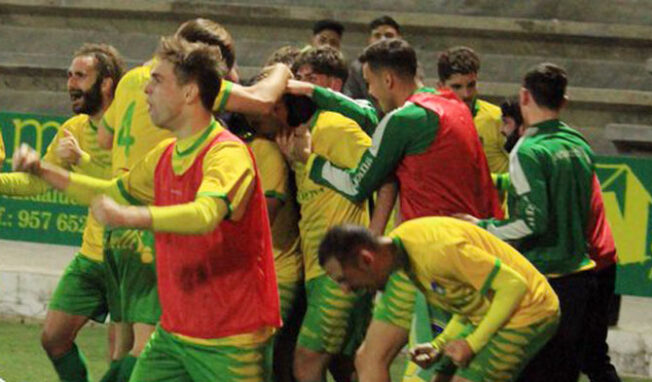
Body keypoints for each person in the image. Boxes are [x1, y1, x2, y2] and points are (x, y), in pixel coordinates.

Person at [14, 36, 281, 382]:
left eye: (156, 81)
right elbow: (112, 191)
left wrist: (133, 217)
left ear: (189, 93)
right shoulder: (165, 155)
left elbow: (205, 215)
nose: (145, 90)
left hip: (230, 338)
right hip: (174, 333)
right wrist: (44, 170)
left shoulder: (226, 154)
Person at [285, 38, 503, 382]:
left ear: (388, 80)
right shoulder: (446, 105)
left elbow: (358, 185)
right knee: (370, 358)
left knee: (426, 366)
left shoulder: (404, 121)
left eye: (370, 83)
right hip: (453, 248)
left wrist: (309, 162)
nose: (369, 92)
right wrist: (314, 92)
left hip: (435, 259)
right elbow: (369, 114)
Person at [94, 18, 292, 380]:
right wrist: (281, 70)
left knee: (125, 342)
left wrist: (129, 216)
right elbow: (264, 99)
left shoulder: (218, 139)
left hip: (225, 318)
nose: (149, 86)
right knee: (126, 342)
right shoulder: (181, 126)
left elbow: (104, 140)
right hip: (176, 299)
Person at [459, 63, 598, 382]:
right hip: (581, 277)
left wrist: (480, 227)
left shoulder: (528, 151)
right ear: (564, 101)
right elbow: (566, 197)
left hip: (545, 280)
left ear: (524, 97)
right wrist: (496, 182)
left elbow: (531, 222)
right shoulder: (578, 142)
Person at [0, 43, 123, 382]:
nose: (71, 83)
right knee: (53, 339)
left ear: (107, 83)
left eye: (80, 75)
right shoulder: (74, 128)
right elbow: (37, 182)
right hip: (90, 257)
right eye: (69, 75)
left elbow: (122, 192)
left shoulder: (130, 129)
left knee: (121, 358)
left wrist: (83, 159)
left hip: (130, 259)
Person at [318, 217, 560, 382]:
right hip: (497, 311)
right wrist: (439, 344)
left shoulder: (436, 251)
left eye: (344, 279)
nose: (345, 290)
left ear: (366, 260)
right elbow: (467, 301)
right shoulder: (404, 254)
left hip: (528, 311)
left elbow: (513, 286)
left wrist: (472, 343)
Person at [279, 45, 372, 382]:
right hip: (320, 266)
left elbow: (376, 177)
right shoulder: (305, 129)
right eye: (299, 79)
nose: (301, 87)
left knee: (307, 360)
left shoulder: (337, 125)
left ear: (333, 85)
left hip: (342, 266)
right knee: (345, 363)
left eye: (310, 79)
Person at [437, 46, 509, 174]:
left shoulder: (497, 119)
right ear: (440, 87)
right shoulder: (431, 123)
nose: (466, 94)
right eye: (457, 87)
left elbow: (521, 173)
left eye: (471, 85)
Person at [342, 15, 401, 100]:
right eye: (377, 35)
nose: (383, 40)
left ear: (399, 38)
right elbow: (350, 98)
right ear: (370, 40)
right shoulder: (358, 68)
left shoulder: (409, 64)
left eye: (388, 35)